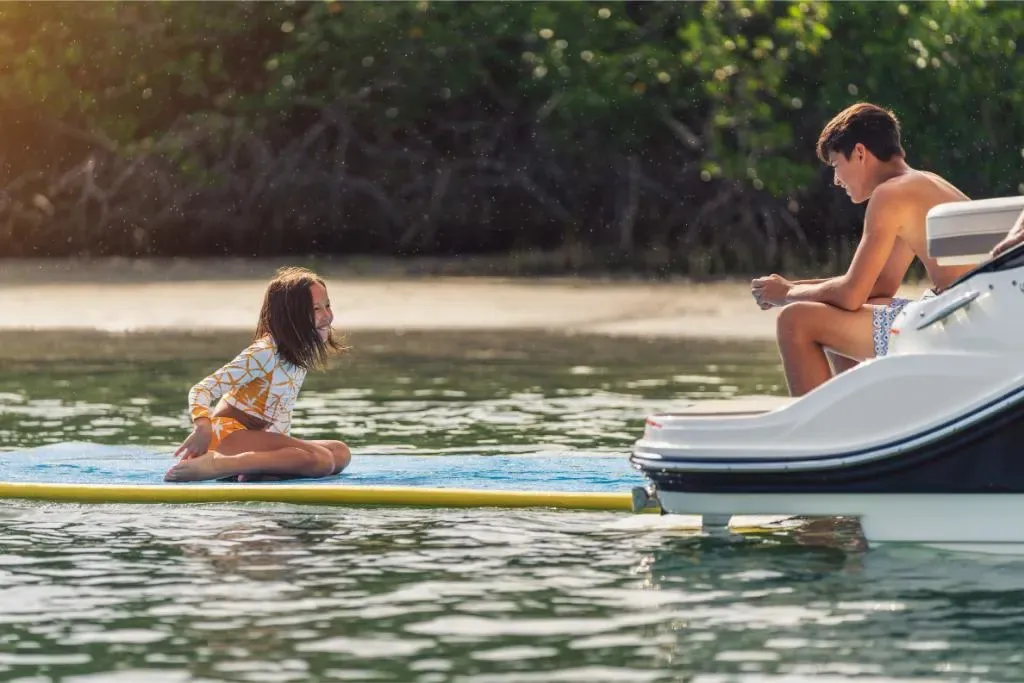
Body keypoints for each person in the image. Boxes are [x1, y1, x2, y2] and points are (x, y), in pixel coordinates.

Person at [751, 102, 977, 397]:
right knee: (849, 306)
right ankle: (862, 412)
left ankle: (821, 425)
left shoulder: (890, 194)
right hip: (965, 315)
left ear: (859, 152)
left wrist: (786, 294)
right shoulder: (921, 184)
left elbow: (851, 294)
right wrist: (792, 286)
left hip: (955, 326)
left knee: (794, 320)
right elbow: (879, 285)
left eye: (836, 166)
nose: (836, 180)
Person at [164, 266, 352, 482]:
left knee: (339, 453)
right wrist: (202, 427)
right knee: (322, 461)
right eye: (316, 309)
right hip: (223, 436)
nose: (327, 316)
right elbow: (202, 389)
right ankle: (217, 465)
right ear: (290, 316)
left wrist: (286, 457)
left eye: (327, 306)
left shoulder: (297, 354)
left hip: (253, 439)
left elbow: (281, 413)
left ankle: (251, 471)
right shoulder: (264, 352)